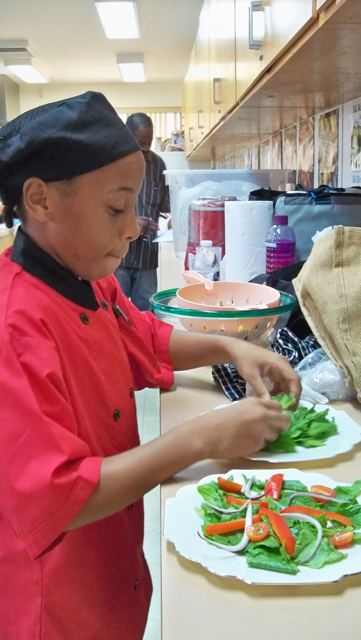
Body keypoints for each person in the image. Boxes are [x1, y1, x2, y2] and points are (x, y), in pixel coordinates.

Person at [0, 91, 301, 640]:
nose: (134, 227)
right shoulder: (13, 323)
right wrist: (202, 437)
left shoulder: (89, 281)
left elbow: (143, 339)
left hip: (113, 571)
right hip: (55, 604)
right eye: (116, 208)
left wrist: (232, 347)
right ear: (40, 200)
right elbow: (64, 495)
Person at [114, 112, 170, 311]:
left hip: (147, 256)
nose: (145, 148)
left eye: (149, 142)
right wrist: (130, 223)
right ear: (127, 136)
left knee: (146, 314)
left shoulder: (158, 165)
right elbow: (99, 209)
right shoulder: (111, 165)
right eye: (140, 143)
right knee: (114, 313)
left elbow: (165, 203)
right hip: (117, 254)